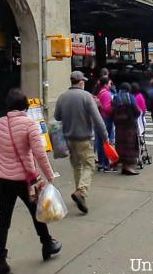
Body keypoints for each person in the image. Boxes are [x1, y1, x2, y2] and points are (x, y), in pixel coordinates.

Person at [0, 88, 61, 273]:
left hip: (3, 178)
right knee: (36, 212)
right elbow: (40, 153)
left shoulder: (0, 122)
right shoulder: (30, 124)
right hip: (25, 180)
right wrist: (50, 175)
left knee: (3, 218)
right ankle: (47, 244)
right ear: (25, 106)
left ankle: (0, 259)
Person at [54, 71, 108, 214]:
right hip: (84, 138)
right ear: (81, 82)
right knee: (89, 165)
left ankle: (79, 192)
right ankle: (82, 191)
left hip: (69, 138)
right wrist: (105, 137)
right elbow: (97, 119)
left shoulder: (62, 97)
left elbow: (57, 116)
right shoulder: (87, 97)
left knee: (77, 166)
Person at [111, 83, 141, 175]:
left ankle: (124, 166)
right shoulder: (131, 97)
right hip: (130, 125)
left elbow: (113, 111)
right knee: (130, 147)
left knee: (121, 146)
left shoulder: (116, 98)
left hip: (119, 126)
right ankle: (128, 167)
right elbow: (137, 111)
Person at [94, 74, 116, 171]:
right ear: (106, 84)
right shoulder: (106, 94)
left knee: (100, 142)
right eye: (109, 83)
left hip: (100, 119)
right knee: (105, 142)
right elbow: (107, 108)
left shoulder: (100, 92)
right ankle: (106, 164)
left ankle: (101, 163)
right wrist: (114, 106)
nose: (110, 85)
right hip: (106, 119)